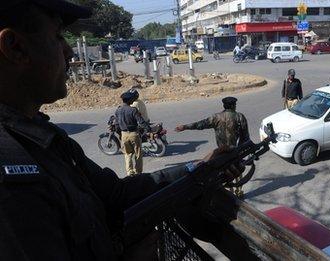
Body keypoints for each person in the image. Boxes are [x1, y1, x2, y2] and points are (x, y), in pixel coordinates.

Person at [0, 2, 244, 260]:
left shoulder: (46, 138)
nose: (69, 51)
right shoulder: (11, 170)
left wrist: (196, 168)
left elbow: (115, 194)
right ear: (15, 47)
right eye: (58, 36)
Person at [175, 97, 250, 198]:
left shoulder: (216, 117)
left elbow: (200, 124)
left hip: (221, 152)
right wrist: (241, 150)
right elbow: (245, 136)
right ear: (233, 106)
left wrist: (185, 127)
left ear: (224, 106)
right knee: (237, 170)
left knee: (224, 172)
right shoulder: (240, 117)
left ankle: (230, 193)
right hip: (234, 150)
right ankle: (239, 191)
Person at [115, 91, 150, 175]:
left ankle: (129, 172)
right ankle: (138, 172)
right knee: (138, 154)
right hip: (134, 134)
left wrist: (120, 134)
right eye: (131, 99)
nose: (132, 100)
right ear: (129, 100)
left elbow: (116, 125)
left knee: (127, 154)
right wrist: (148, 129)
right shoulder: (133, 110)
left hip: (124, 135)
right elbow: (141, 122)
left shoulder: (118, 110)